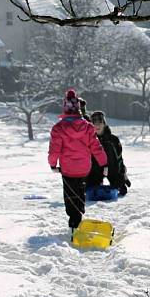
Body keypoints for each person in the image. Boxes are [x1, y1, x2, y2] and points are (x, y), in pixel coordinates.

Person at [48, 89, 108, 234]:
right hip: (83, 168)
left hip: (68, 169)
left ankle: (74, 218)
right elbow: (96, 147)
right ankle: (79, 210)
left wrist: (52, 164)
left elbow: (54, 149)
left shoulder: (58, 128)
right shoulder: (88, 127)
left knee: (69, 193)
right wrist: (103, 163)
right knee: (80, 189)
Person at [87, 110, 131, 196]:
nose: (97, 125)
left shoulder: (113, 140)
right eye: (94, 123)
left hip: (112, 170)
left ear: (104, 124)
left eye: (100, 122)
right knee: (91, 191)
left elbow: (119, 159)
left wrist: (123, 175)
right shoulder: (89, 140)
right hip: (95, 171)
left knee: (122, 191)